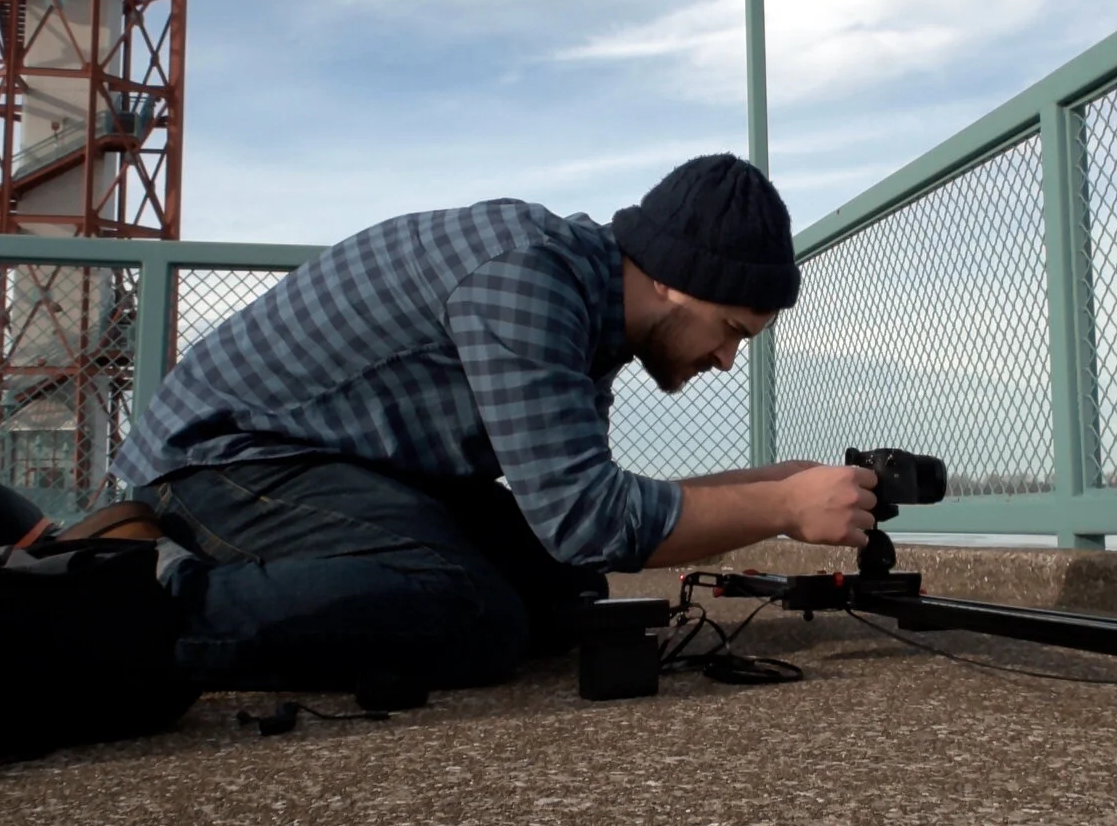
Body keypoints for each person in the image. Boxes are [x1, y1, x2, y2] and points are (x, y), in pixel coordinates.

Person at [103, 153, 880, 695]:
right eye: (732, 330)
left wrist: (778, 482)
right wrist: (781, 509)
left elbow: (576, 512)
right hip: (222, 460)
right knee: (471, 616)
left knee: (564, 592)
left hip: (342, 462)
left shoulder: (594, 307)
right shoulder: (527, 278)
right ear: (676, 282)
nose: (727, 360)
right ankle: (135, 593)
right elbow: (588, 517)